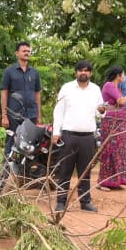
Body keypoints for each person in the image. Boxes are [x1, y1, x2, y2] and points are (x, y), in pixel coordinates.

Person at [51, 60, 103, 212]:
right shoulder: (67, 88)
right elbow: (58, 111)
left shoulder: (95, 90)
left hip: (88, 137)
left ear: (91, 73)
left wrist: (102, 111)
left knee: (85, 171)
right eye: (80, 70)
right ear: (76, 73)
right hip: (69, 136)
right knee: (65, 170)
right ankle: (61, 202)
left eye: (86, 70)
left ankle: (85, 202)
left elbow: (100, 112)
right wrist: (56, 132)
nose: (83, 73)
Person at [0, 41, 42, 196]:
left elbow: (37, 94)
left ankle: (23, 181)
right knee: (10, 148)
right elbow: (4, 93)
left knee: (31, 149)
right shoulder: (9, 72)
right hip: (14, 116)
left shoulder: (34, 73)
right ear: (17, 53)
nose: (27, 53)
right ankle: (1, 184)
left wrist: (39, 115)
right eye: (24, 50)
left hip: (32, 116)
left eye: (29, 51)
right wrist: (4, 115)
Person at [98, 65, 126, 190]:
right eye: (123, 74)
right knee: (109, 150)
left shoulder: (116, 87)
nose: (124, 77)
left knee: (119, 151)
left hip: (119, 122)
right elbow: (121, 102)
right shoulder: (109, 85)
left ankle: (116, 180)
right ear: (118, 75)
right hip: (111, 123)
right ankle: (104, 181)